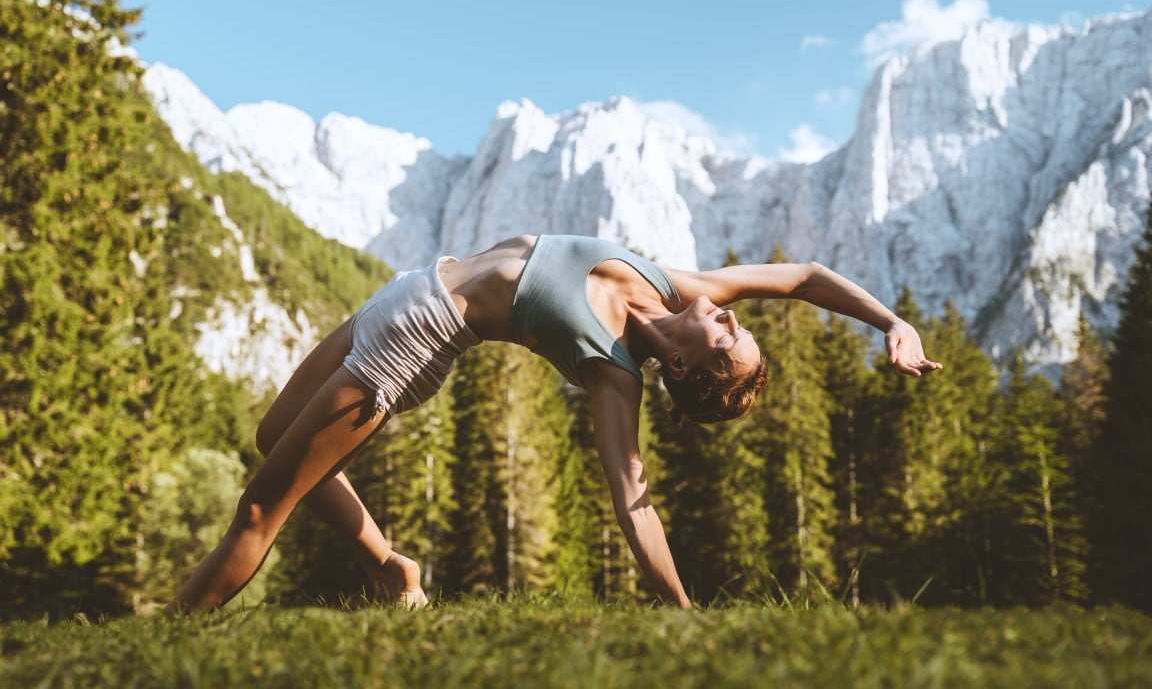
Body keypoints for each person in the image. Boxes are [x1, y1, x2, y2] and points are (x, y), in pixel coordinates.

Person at [166, 234, 940, 613]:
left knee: (263, 507)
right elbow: (802, 278)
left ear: (690, 372)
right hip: (405, 288)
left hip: (411, 343)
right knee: (274, 440)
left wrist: (685, 617)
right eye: (740, 328)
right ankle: (391, 570)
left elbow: (635, 507)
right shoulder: (677, 284)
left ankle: (166, 642)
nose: (732, 322)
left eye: (731, 342)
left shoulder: (613, 375)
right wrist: (889, 321)